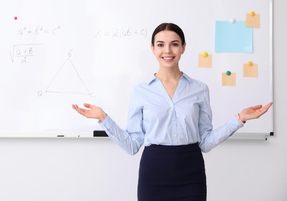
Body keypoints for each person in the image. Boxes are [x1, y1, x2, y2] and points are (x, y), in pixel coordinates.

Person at [72, 23, 273, 201]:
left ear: (183, 47)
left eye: (174, 44)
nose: (167, 50)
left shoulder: (199, 89)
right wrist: (103, 118)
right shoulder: (140, 91)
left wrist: (239, 120)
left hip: (191, 172)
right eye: (160, 44)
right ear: (152, 49)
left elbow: (205, 141)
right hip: (154, 172)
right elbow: (132, 145)